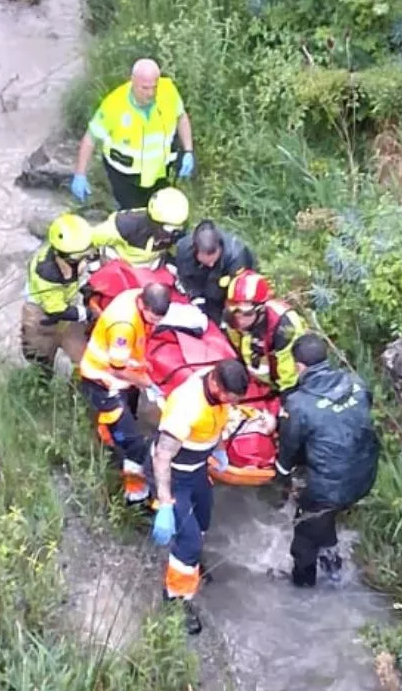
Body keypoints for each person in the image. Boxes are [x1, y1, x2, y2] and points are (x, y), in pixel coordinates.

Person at [148, 358, 251, 633]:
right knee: (190, 541)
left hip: (196, 470)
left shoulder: (218, 387)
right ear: (215, 384)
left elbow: (217, 423)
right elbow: (162, 456)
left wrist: (219, 450)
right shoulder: (187, 406)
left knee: (203, 521)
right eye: (230, 397)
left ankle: (189, 563)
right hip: (175, 475)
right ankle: (176, 599)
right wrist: (165, 502)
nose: (233, 403)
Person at [275, 334, 380, 587]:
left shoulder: (298, 404)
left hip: (328, 489)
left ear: (298, 366)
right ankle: (334, 567)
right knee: (323, 517)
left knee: (304, 537)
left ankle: (303, 587)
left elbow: (288, 448)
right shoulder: (356, 383)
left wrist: (282, 476)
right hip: (364, 475)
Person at [79, 282, 174, 504]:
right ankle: (135, 494)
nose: (155, 324)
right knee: (134, 444)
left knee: (124, 423)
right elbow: (117, 369)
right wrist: (147, 383)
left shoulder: (137, 297)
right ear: (142, 304)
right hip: (103, 381)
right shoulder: (123, 325)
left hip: (121, 379)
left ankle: (109, 440)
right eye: (153, 318)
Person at [71, 58, 195, 210]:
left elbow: (181, 117)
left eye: (154, 87)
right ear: (133, 81)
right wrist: (80, 174)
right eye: (145, 88)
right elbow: (90, 138)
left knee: (160, 214)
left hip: (160, 172)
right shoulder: (114, 104)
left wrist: (188, 151)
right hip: (125, 176)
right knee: (133, 215)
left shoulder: (167, 92)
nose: (150, 93)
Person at [20, 213, 98, 371]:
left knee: (85, 359)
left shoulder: (68, 249)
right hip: (42, 316)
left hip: (64, 308)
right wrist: (87, 313)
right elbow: (56, 310)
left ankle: (78, 383)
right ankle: (43, 380)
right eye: (82, 256)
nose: (86, 258)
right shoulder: (47, 274)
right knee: (40, 361)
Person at [221, 270, 309, 397]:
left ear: (261, 309)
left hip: (279, 377)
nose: (239, 319)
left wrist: (286, 395)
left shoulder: (283, 325)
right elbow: (235, 343)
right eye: (234, 311)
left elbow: (288, 372)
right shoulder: (232, 317)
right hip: (255, 375)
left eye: (246, 313)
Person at [171, 219, 256, 315]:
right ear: (195, 250)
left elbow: (240, 290)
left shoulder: (237, 257)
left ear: (220, 247)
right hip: (201, 290)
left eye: (214, 261)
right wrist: (196, 297)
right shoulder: (184, 249)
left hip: (224, 293)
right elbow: (186, 277)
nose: (211, 264)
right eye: (207, 262)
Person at [90, 187, 189, 268]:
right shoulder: (125, 225)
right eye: (169, 227)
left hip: (151, 265)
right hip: (119, 263)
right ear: (155, 222)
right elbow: (93, 238)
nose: (175, 232)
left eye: (179, 226)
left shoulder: (175, 230)